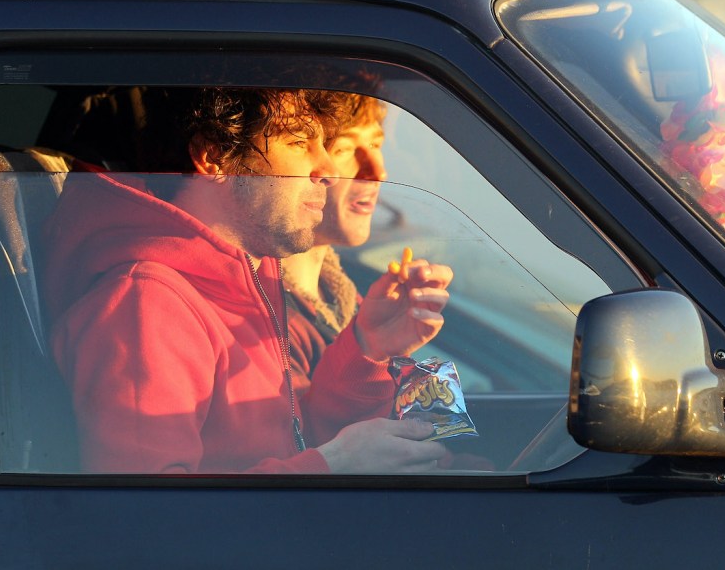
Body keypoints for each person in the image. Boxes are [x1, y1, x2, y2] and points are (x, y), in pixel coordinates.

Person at [43, 86, 453, 474]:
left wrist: (370, 345)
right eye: (299, 142)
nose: (328, 170)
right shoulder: (145, 305)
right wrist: (331, 466)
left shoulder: (247, 286)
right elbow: (144, 513)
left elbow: (294, 444)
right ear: (214, 155)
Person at [282, 94, 387, 392]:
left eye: (376, 145)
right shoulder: (271, 322)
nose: (377, 172)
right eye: (345, 148)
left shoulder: (349, 301)